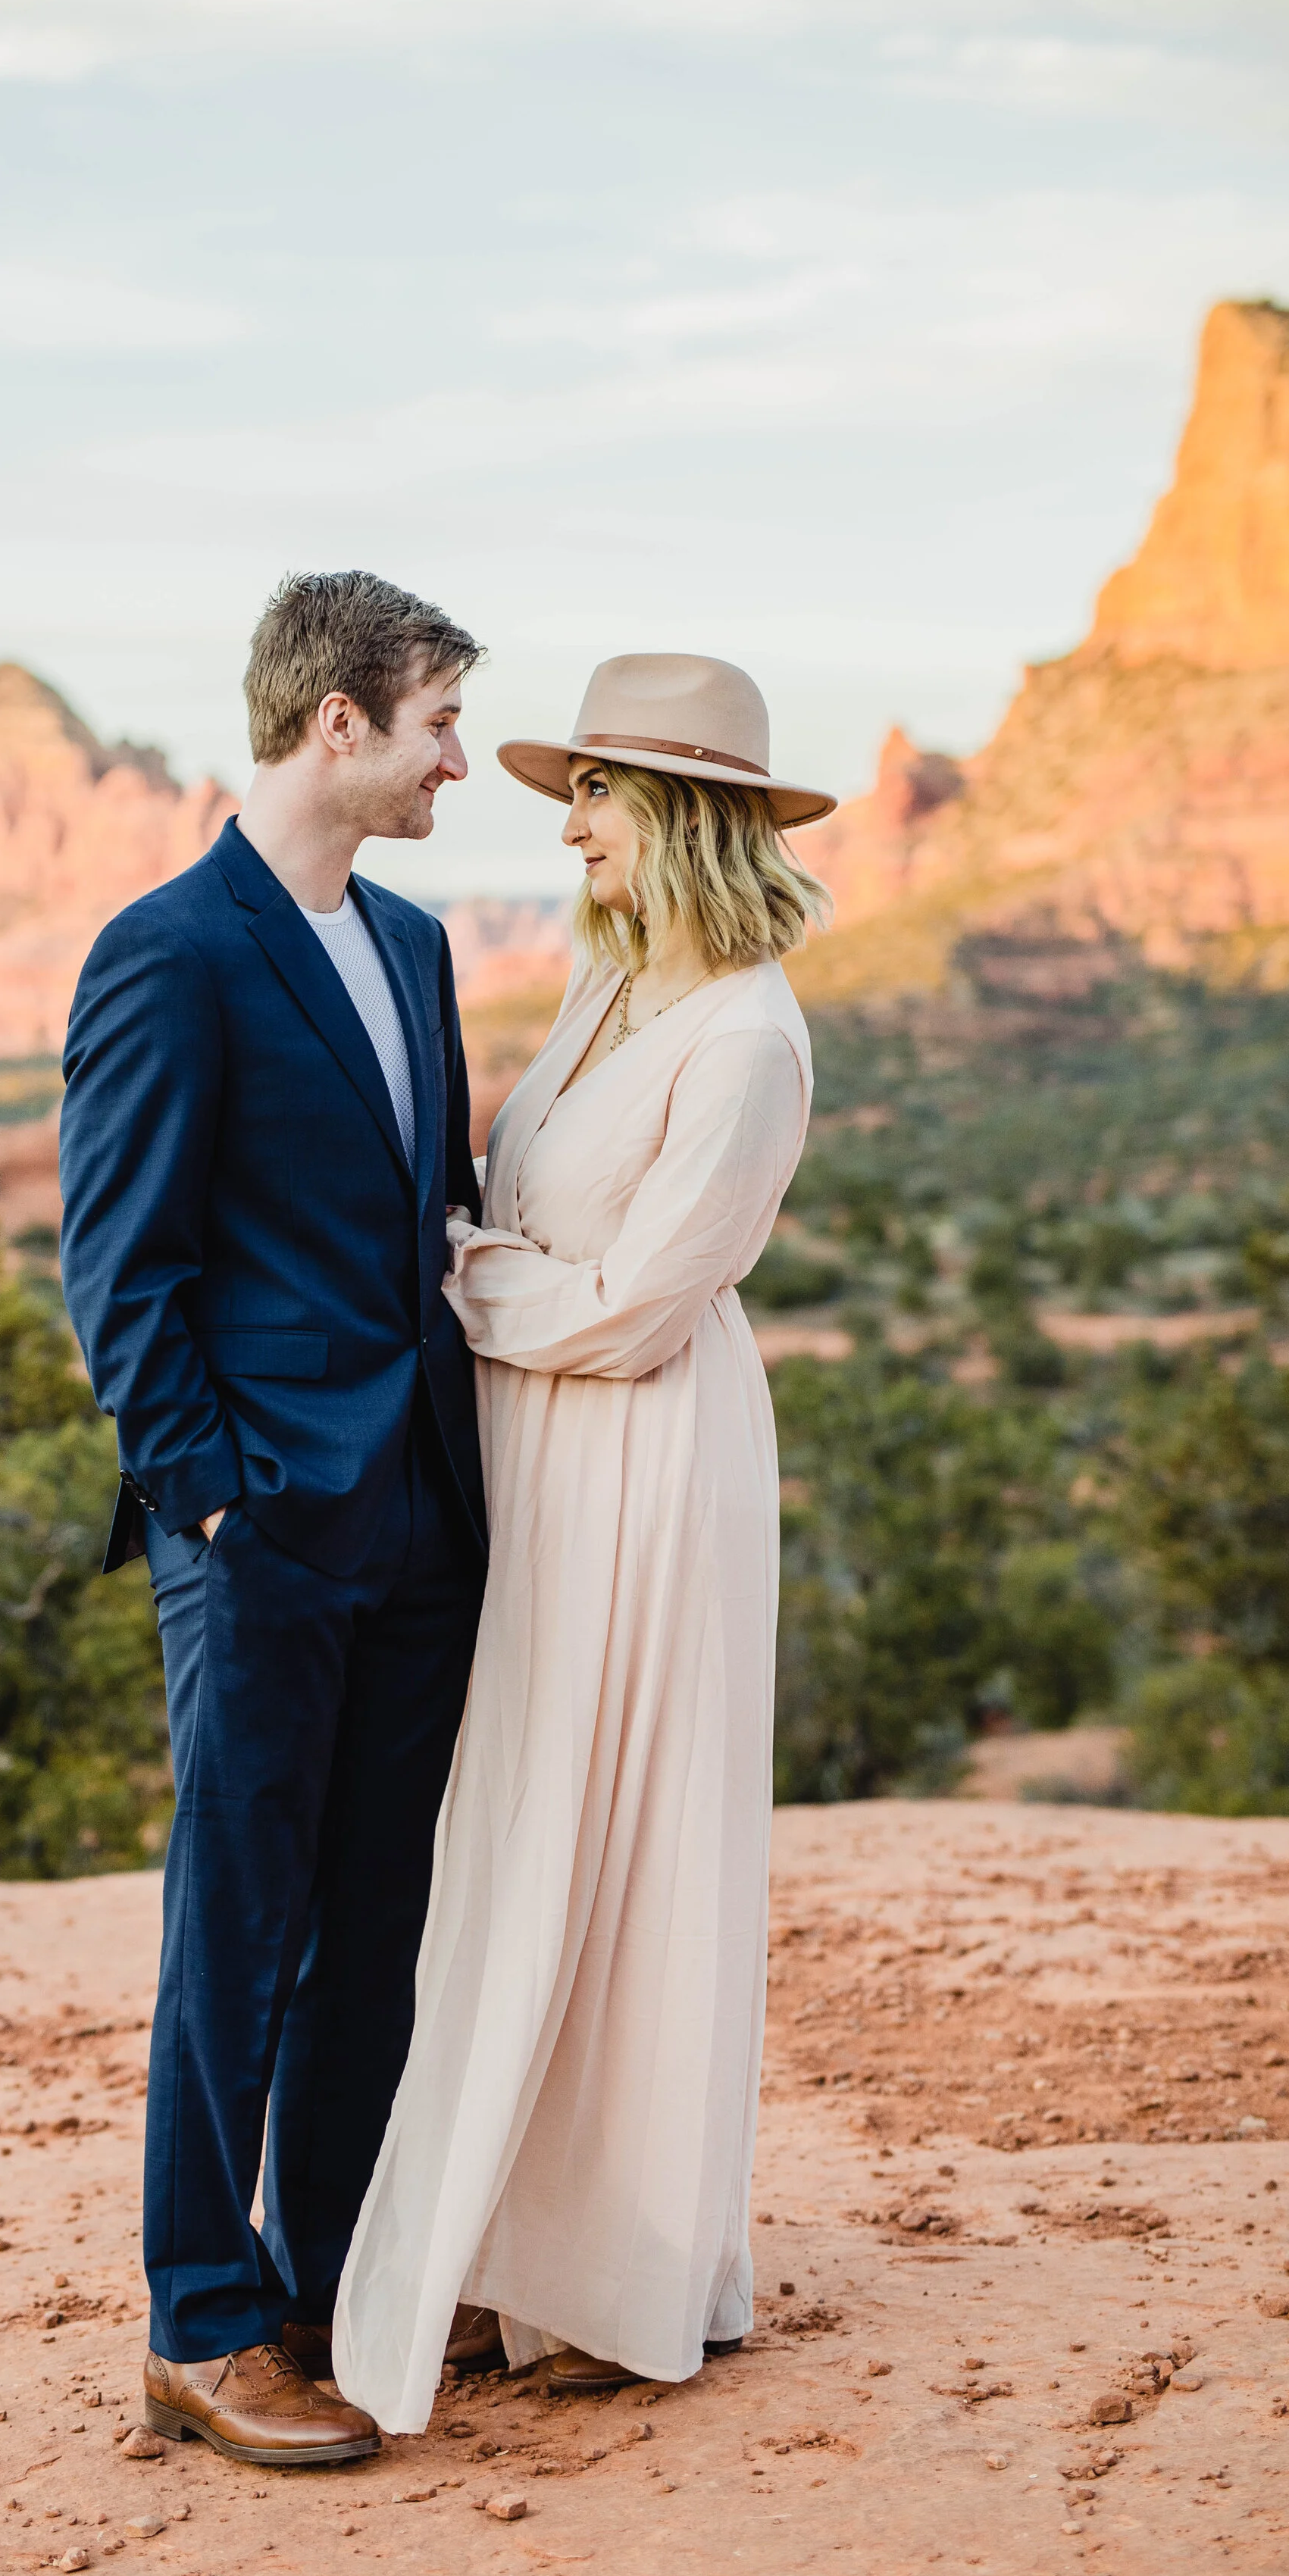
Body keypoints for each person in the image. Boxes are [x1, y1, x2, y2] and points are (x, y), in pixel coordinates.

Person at [333, 650, 837, 2431]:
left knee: (615, 1840)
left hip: (644, 1463)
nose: (570, 822)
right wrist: (499, 1272)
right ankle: (489, 2240)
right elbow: (525, 1217)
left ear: (683, 813)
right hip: (532, 1452)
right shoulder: (604, 991)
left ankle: (602, 2266)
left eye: (600, 794)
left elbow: (630, 1311)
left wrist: (467, 1280)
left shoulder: (752, 1037)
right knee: (515, 1824)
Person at [58, 571, 496, 2468]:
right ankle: (200, 2319)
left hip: (413, 1520)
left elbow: (427, 1228)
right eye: (435, 723)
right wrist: (215, 1509)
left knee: (372, 1923)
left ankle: (324, 2283)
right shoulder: (169, 951)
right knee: (233, 1928)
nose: (453, 761)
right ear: (340, 721)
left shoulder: (409, 951)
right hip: (256, 1536)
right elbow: (121, 1271)